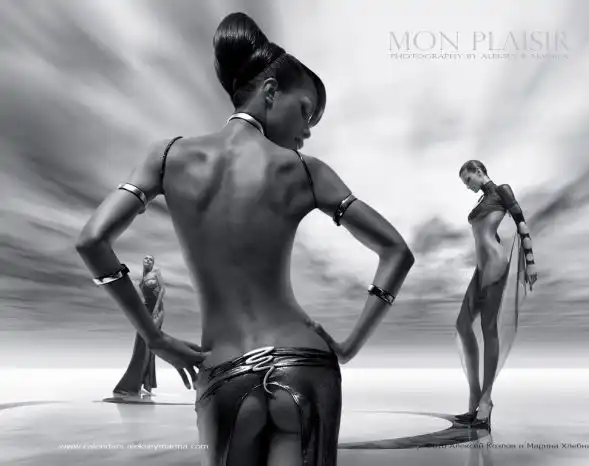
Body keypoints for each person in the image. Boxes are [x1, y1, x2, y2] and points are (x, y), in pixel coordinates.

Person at [75, 12, 414, 466]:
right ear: (271, 92)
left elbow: (92, 240)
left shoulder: (167, 156)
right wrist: (350, 345)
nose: (307, 131)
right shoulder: (307, 172)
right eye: (306, 111)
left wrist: (154, 338)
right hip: (305, 365)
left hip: (223, 372)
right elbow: (396, 251)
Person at [454, 160, 537, 430]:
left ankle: (485, 402)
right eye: (465, 183)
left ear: (479, 172)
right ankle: (476, 397)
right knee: (463, 325)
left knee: (488, 328)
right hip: (481, 268)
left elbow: (521, 223)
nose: (467, 186)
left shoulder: (502, 191)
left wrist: (530, 261)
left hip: (495, 265)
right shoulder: (481, 201)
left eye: (468, 180)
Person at [112, 255, 165, 397]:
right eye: (146, 259)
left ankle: (143, 384)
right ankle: (140, 384)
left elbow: (162, 290)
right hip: (145, 311)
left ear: (153, 263)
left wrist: (156, 307)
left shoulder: (156, 272)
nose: (148, 261)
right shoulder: (141, 279)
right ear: (143, 262)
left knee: (149, 343)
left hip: (157, 311)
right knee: (140, 344)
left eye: (151, 259)